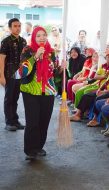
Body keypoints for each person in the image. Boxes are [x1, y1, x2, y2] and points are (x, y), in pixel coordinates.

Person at [16, 26, 57, 160]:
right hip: (30, 91)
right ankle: (30, 149)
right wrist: (35, 56)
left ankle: (39, 146)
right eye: (38, 35)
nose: (42, 38)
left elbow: (54, 73)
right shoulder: (27, 50)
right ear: (34, 37)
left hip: (48, 91)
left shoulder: (52, 52)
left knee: (44, 121)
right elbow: (22, 72)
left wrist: (62, 67)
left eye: (44, 35)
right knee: (32, 121)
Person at [0, 18, 27, 131]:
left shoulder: (24, 41)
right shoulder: (5, 41)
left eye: (19, 26)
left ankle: (15, 121)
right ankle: (9, 122)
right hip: (9, 73)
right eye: (15, 26)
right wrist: (1, 76)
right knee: (9, 98)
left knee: (15, 98)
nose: (18, 28)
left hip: (20, 74)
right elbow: (1, 59)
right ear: (10, 28)